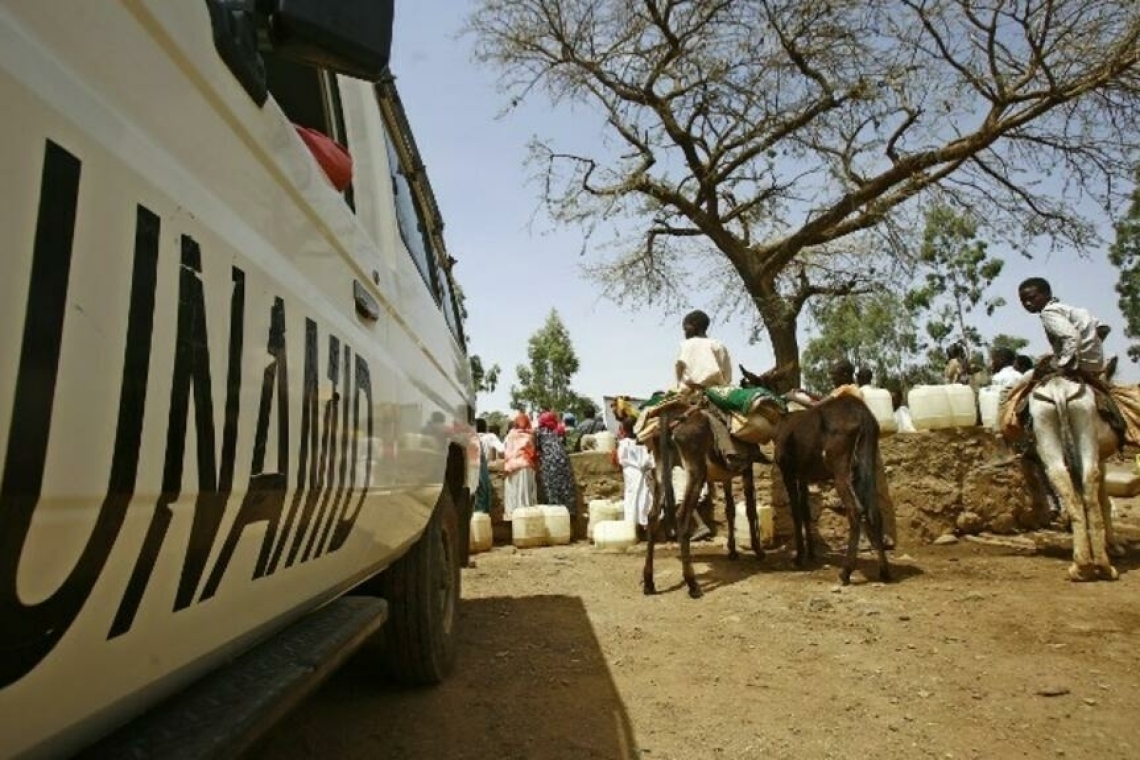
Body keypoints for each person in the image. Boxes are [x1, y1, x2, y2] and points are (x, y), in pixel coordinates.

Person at [674, 309, 741, 468]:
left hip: (688, 393)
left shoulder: (685, 345)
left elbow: (679, 369)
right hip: (716, 392)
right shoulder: (718, 345)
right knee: (728, 421)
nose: (684, 332)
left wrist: (681, 388)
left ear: (695, 326)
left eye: (686, 328)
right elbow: (727, 374)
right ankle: (731, 451)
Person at [535, 410, 579, 522]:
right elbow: (564, 444)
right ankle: (569, 515)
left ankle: (556, 520)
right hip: (563, 459)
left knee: (552, 488)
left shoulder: (539, 432)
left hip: (549, 462)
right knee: (565, 487)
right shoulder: (558, 429)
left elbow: (537, 448)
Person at [615, 416, 654, 528]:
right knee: (645, 496)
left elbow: (621, 459)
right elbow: (649, 459)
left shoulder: (624, 443)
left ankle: (632, 524)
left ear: (624, 429)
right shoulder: (643, 442)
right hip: (644, 472)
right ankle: (644, 523)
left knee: (632, 496)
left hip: (631, 472)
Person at [502, 411, 537, 519]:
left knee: (513, 495)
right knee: (525, 496)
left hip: (511, 468)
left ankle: (513, 518)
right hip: (525, 466)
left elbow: (504, 450)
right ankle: (525, 519)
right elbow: (532, 452)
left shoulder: (510, 435)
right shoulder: (529, 436)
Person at [473, 418, 505, 515]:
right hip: (484, 468)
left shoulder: (470, 437)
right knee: (484, 493)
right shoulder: (490, 437)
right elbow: (502, 450)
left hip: (471, 469)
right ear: (485, 428)